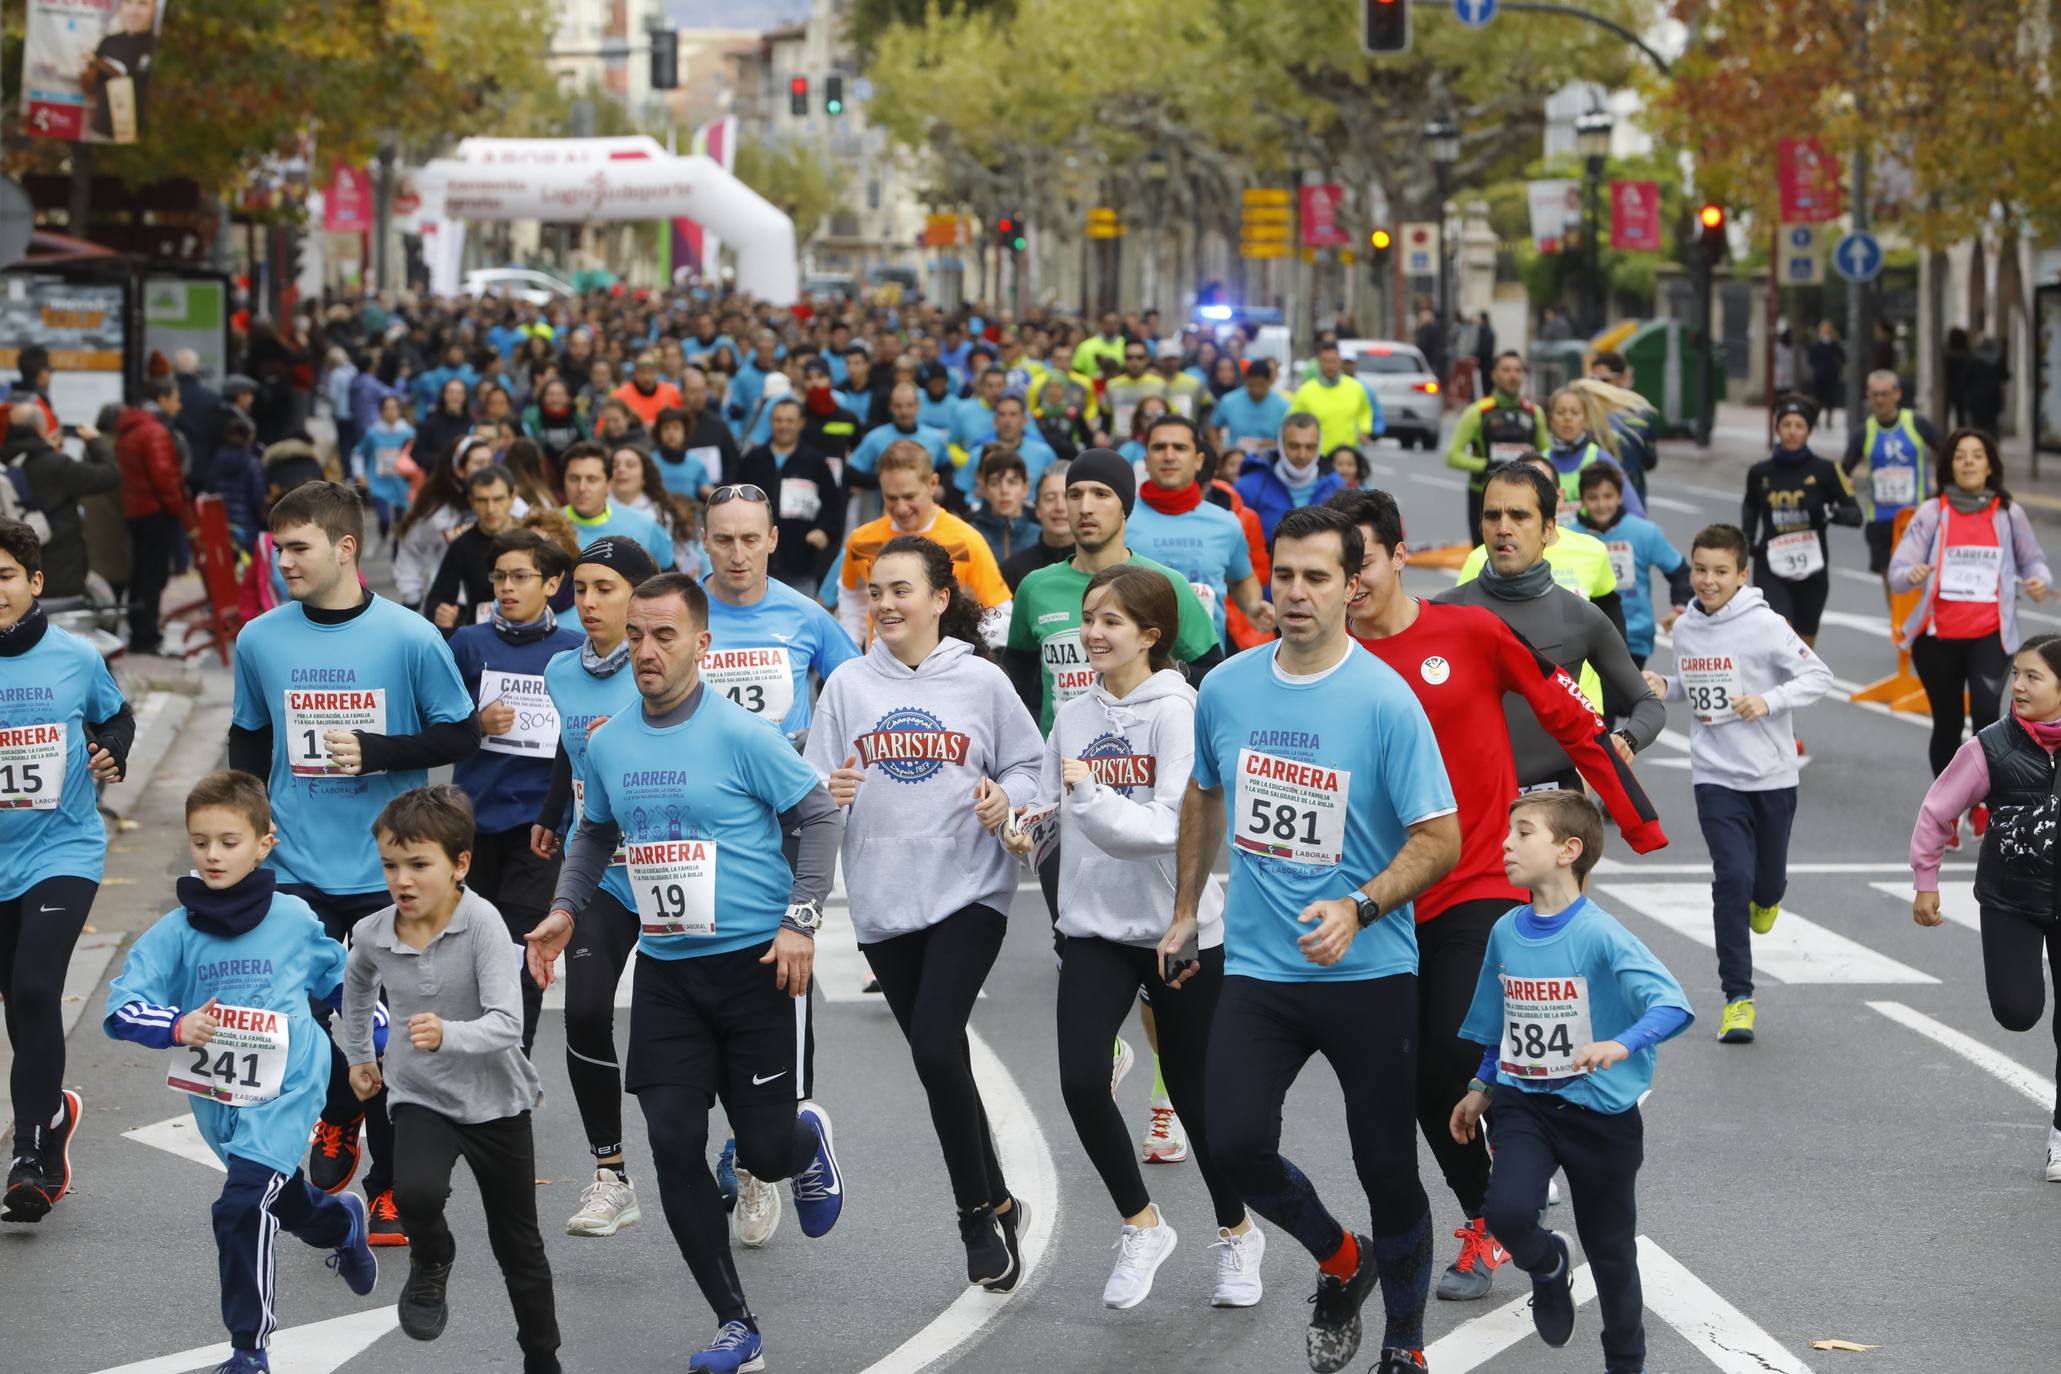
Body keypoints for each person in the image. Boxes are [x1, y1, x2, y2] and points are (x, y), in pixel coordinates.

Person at [1330, 487, 1667, 1301]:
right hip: (1381, 891)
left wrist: (1635, 817)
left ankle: (1511, 1183)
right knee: (1412, 1080)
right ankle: (1491, 1217)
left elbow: (1568, 714)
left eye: (1357, 565)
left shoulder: (1469, 631)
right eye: (1326, 572)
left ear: (1396, 555)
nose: (1341, 586)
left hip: (1477, 876)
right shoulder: (1324, 658)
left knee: (1453, 1048)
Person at [525, 571, 845, 1373]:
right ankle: (735, 1323)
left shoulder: (740, 737)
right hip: (668, 972)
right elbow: (595, 832)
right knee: (671, 1142)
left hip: (753, 965)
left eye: (664, 635)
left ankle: (801, 1143)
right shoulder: (610, 741)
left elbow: (817, 815)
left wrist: (800, 919)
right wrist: (567, 908)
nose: (645, 650)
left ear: (702, 644)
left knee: (762, 1154)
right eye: (635, 635)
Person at [1173, 504, 1460, 1374]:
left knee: (1386, 1166)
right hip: (1261, 970)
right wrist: (1186, 908)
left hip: (1368, 971)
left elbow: (1439, 837)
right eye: (1284, 576)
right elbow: (1203, 791)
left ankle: (1404, 1348)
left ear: (1350, 586)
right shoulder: (1226, 686)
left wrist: (1359, 907)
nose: (1295, 594)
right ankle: (1343, 1263)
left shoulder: (1384, 700)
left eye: (1316, 578)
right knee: (1232, 1146)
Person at [1002, 564, 1264, 1309]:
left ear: (1150, 636)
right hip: (1093, 925)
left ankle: (1238, 1232)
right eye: (1088, 618)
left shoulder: (1179, 714)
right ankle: (1141, 1224)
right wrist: (1022, 822)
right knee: (1081, 1079)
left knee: (1193, 1098)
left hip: (1177, 929)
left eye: (1111, 622)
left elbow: (1165, 830)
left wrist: (1086, 795)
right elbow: (1055, 800)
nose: (1091, 633)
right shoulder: (1074, 711)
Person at [229, 481, 482, 1245]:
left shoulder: (407, 639)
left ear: (345, 549)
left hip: (387, 867)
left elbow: (458, 737)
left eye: (298, 549)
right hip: (299, 864)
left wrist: (375, 752)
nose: (283, 565)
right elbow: (249, 737)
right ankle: (340, 1111)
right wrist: (251, 826)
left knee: (393, 1031)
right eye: (278, 551)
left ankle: (390, 1189)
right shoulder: (260, 639)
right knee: (322, 1015)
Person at [805, 534, 1043, 1288]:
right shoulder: (846, 685)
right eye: (875, 591)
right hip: (882, 898)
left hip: (970, 887)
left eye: (900, 590)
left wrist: (1008, 796)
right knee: (940, 1061)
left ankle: (974, 1212)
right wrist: (827, 795)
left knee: (937, 1046)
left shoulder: (981, 682)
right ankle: (1003, 1199)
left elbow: (1027, 765)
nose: (884, 604)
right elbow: (811, 786)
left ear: (941, 599)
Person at [100, 770, 378, 1373]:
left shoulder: (296, 919)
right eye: (201, 842)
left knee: (239, 1208)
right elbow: (121, 1010)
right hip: (219, 1098)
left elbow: (344, 983)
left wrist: (375, 1041)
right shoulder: (174, 933)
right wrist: (176, 1026)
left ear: (263, 844)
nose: (213, 855)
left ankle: (249, 1350)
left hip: (290, 1089)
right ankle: (339, 1223)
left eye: (229, 841)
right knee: (273, 1199)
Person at [1450, 790, 1693, 1374]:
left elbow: (1672, 1004)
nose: (1506, 843)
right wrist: (1482, 1086)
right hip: (1524, 1105)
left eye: (1524, 832)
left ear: (1568, 850)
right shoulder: (1506, 931)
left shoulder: (1601, 935)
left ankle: (1625, 1364)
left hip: (1600, 1117)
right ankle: (1548, 1263)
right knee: (1506, 1212)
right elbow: (1499, 1022)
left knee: (1612, 1257)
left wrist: (1620, 1043)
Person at [341, 786, 560, 1372]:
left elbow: (509, 1023)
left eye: (419, 865)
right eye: (390, 865)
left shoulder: (484, 923)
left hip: (496, 1099)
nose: (402, 881)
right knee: (413, 1192)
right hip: (420, 1094)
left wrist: (449, 1033)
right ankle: (433, 1258)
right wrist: (360, 1052)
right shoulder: (374, 931)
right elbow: (357, 984)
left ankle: (543, 1358)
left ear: (460, 864)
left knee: (521, 1249)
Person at [1641, 524, 1833, 1046]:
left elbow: (1818, 676)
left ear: (1742, 575)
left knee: (1765, 885)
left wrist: (1767, 701)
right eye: (1700, 569)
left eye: (1720, 571)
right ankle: (1738, 998)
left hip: (1771, 775)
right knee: (1730, 880)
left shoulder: (1765, 625)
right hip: (1714, 775)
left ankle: (1767, 899)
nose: (1707, 580)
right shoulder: (1684, 629)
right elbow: (1697, 683)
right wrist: (1667, 685)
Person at [0, 520, 129, 1223]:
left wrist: (111, 751)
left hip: (62, 850)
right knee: (20, 1004)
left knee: (36, 984)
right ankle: (52, 1115)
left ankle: (27, 1153)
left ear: (34, 582)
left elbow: (117, 719)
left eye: (4, 576)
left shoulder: (75, 657)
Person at [529, 536, 658, 1239]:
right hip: (601, 870)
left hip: (674, 871)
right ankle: (610, 1174)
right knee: (583, 1014)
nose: (587, 602)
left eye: (604, 588)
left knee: (695, 1030)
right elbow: (572, 745)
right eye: (579, 588)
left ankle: (749, 1161)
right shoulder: (559, 671)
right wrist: (554, 814)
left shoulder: (663, 667)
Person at [1910, 634, 2061, 1180]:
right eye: (2015, 674)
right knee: (2017, 1012)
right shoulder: (1990, 746)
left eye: (2032, 677)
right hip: (2010, 900)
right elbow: (1936, 811)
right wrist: (1926, 880)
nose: (2016, 686)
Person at [1440, 465, 1663, 791]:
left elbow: (1648, 704)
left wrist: (1626, 738)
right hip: (1474, 804)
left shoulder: (1580, 616)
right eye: (1492, 516)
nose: (1503, 528)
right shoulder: (1446, 611)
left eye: (1519, 516)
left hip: (1557, 812)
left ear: (1548, 529)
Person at [447, 530, 582, 1052]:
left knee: (523, 948)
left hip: (539, 827)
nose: (507, 587)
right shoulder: (467, 644)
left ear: (551, 583)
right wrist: (475, 723)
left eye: (521, 576)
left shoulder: (572, 651)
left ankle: (513, 1066)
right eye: (499, 577)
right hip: (472, 824)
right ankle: (468, 1058)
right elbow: (434, 723)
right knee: (469, 951)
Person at [1890, 428, 2053, 822]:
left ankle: (1983, 806)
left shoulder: (2007, 513)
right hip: (1938, 637)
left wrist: (2039, 582)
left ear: (1989, 465)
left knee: (1987, 717)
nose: (1968, 462)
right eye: (1960, 455)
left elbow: (2035, 562)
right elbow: (1897, 571)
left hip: (1989, 635)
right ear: (1949, 464)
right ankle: (1945, 813)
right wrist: (1913, 575)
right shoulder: (1932, 512)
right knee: (1946, 724)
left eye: (1976, 455)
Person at [1005, 449, 1220, 734]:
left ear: (1125, 507)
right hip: (1061, 764)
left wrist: (1159, 675)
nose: (1085, 507)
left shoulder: (1164, 583)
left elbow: (1213, 675)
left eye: (1101, 494)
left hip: (1140, 765)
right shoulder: (1035, 588)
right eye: (1075, 494)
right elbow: (1015, 682)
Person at [701, 482, 861, 747]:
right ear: (705, 540)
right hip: (708, 779)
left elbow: (863, 692)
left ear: (772, 539)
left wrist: (825, 736)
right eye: (724, 540)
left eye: (750, 539)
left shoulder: (807, 614)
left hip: (786, 783)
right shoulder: (680, 612)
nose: (738, 556)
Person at [837, 441, 1011, 647]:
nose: (901, 508)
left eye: (910, 496)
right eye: (891, 498)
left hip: (946, 671)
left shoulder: (965, 541)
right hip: (880, 671)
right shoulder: (861, 540)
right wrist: (853, 646)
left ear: (933, 484)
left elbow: (1003, 615)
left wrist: (956, 642)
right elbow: (850, 594)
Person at [1129, 414, 1276, 651]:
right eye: (1159, 447)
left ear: (1198, 460)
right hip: (1136, 665)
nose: (1169, 456)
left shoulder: (1226, 523)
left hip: (1205, 664)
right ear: (1146, 460)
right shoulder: (1121, 519)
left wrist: (1252, 606)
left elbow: (1241, 579)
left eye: (1179, 447)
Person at [1743, 397, 1862, 647]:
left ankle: (1797, 686)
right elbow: (1751, 506)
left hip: (1812, 568)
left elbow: (1855, 515)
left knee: (1804, 647)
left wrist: (1830, 513)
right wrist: (1747, 539)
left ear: (1808, 430)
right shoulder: (1760, 472)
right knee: (1779, 632)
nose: (1792, 431)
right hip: (1771, 565)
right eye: (1786, 424)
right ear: (1777, 429)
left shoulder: (1826, 470)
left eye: (1799, 425)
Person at [1571, 465, 1689, 673]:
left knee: (1619, 703)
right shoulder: (1569, 536)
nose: (1601, 505)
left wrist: (1679, 608)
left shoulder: (1644, 532)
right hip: (1584, 639)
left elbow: (1680, 572)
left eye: (1608, 496)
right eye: (1593, 497)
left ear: (1619, 497)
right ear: (1582, 500)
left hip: (1634, 638)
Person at [2, 402, 118, 603]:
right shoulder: (56, 465)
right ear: (40, 429)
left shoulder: (5, 464)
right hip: (61, 578)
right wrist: (95, 441)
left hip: (15, 580)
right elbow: (110, 475)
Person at [116, 376, 197, 656]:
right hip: (156, 513)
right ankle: (146, 635)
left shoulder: (133, 428)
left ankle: (142, 630)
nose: (179, 404)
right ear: (162, 399)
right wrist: (178, 509)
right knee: (153, 576)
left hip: (137, 510)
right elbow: (165, 478)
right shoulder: (154, 432)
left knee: (141, 574)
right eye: (175, 398)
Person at [1842, 369, 1945, 583]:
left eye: (1885, 394)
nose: (1880, 399)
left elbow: (1946, 452)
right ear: (1868, 396)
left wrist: (1939, 491)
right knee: (1892, 581)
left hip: (1915, 517)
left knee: (1920, 579)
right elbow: (1844, 471)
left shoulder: (1916, 424)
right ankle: (1895, 618)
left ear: (1897, 394)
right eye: (1875, 394)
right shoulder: (1863, 432)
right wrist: (1845, 488)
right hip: (1880, 519)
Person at [733, 398, 843, 596]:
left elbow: (833, 505)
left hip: (801, 562)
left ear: (801, 423)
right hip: (755, 562)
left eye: (790, 421)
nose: (784, 426)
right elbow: (735, 500)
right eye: (779, 420)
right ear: (771, 422)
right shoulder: (753, 459)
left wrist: (825, 531)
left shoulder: (815, 462)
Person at [1445, 352, 1550, 543]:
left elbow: (1547, 456)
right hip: (1484, 494)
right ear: (1494, 375)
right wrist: (1487, 465)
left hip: (1524, 494)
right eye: (1506, 370)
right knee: (1484, 556)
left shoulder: (1534, 413)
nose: (1513, 375)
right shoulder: (1478, 412)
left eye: (1518, 370)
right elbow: (1452, 456)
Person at [421, 466, 522, 633]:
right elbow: (437, 600)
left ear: (513, 497)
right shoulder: (462, 545)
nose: (490, 509)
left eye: (498, 499)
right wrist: (443, 614)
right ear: (471, 501)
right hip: (482, 637)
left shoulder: (532, 538)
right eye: (482, 500)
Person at [560, 441, 676, 570]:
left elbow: (669, 575)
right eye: (574, 478)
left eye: (592, 479)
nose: (582, 488)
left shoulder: (645, 526)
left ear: (609, 484)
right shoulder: (546, 527)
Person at [1540, 382, 1647, 519]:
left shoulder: (1601, 459)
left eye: (1575, 412)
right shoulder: (1540, 463)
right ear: (1551, 419)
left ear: (1585, 419)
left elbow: (1636, 512)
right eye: (1561, 412)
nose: (1567, 418)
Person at [1236, 412, 1346, 543]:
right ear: (1280, 444)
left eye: (1310, 447)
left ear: (1319, 445)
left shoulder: (1337, 488)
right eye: (1294, 446)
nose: (1302, 454)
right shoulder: (1248, 487)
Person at [1587, 351, 1656, 501]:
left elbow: (1650, 459)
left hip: (1630, 500)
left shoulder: (1641, 414)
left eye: (1605, 380)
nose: (1598, 387)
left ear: (1623, 378)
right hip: (1593, 503)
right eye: (1593, 381)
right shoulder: (1583, 414)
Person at [1290, 341, 1379, 456]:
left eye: (1333, 361)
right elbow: (1293, 420)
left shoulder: (1356, 388)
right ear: (1318, 362)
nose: (1329, 366)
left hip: (1347, 455)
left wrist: (1364, 430)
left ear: (1339, 362)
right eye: (1325, 361)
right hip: (1317, 456)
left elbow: (1365, 412)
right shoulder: (1305, 391)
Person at [351, 393, 415, 543]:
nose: (391, 412)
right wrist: (360, 474)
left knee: (400, 520)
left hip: (401, 483)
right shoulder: (373, 433)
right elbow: (358, 453)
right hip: (378, 482)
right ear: (381, 411)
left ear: (400, 410)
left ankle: (397, 546)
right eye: (387, 408)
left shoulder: (408, 433)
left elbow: (415, 456)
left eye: (394, 408)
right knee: (384, 518)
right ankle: (383, 535)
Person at [1002, 460, 1074, 590]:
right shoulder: (1013, 570)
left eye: (1068, 497)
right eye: (1050, 498)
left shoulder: (1099, 568)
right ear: (1037, 509)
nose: (1059, 507)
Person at [968, 446, 1038, 563]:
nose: (1004, 490)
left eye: (1012, 482)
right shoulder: (971, 536)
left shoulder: (1040, 536)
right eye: (994, 483)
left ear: (1025, 489)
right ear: (985, 490)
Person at [1212, 359, 1289, 460]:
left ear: (1270, 381)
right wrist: (1218, 451)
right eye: (1252, 385)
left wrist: (1276, 443)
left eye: (1262, 385)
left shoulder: (1283, 406)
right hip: (1237, 462)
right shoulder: (1229, 401)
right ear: (1246, 380)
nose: (1257, 390)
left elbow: (1290, 438)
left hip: (1269, 462)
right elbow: (1213, 427)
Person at [612, 351, 684, 432]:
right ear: (635, 373)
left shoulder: (671, 392)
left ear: (658, 372)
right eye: (642, 372)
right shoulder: (620, 396)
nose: (647, 377)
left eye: (651, 371)